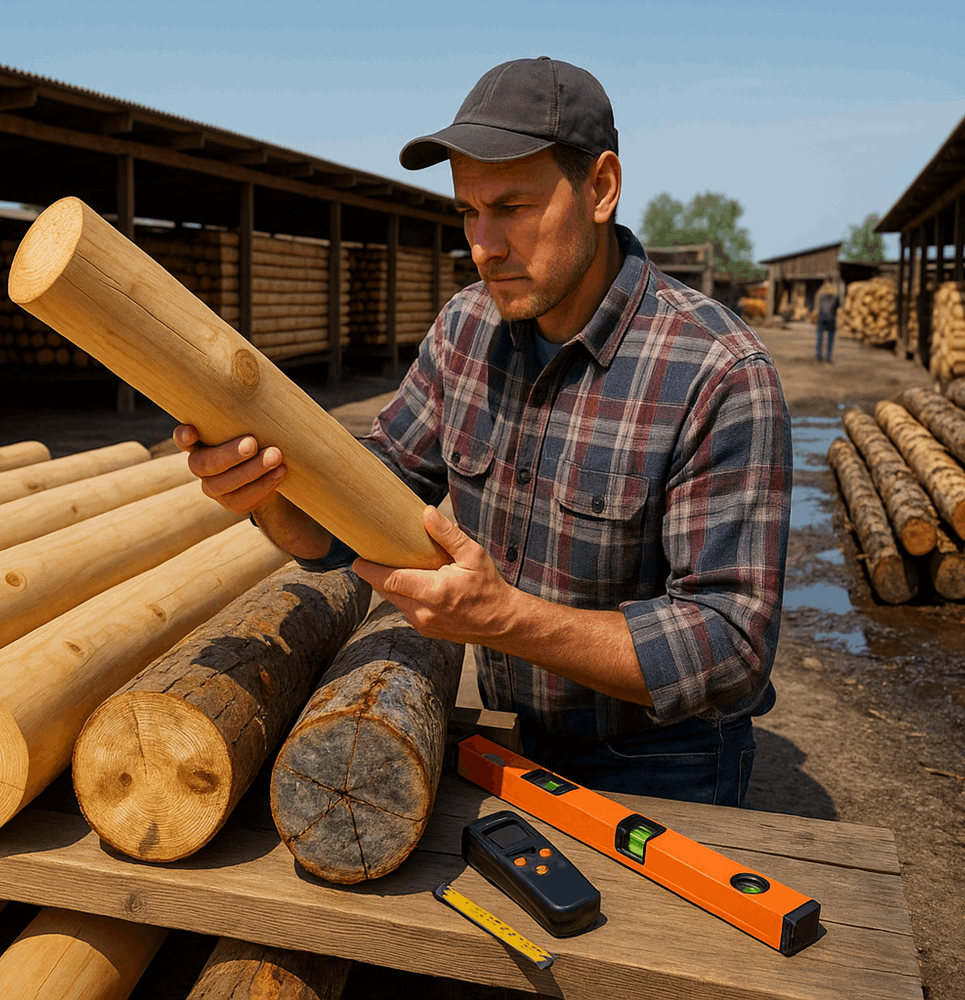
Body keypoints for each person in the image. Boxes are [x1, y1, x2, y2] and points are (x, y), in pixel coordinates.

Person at [176, 56, 791, 808]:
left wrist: (507, 620)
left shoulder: (718, 372)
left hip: (661, 766)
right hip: (505, 737)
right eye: (469, 211)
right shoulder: (467, 327)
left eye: (513, 207)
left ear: (601, 189)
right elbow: (366, 506)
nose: (483, 245)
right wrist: (269, 494)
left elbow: (731, 645)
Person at [814, 283, 840, 362]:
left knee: (820, 339)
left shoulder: (821, 297)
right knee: (829, 340)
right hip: (830, 319)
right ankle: (827, 357)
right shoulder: (835, 297)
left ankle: (819, 355)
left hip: (822, 319)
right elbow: (838, 308)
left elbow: (819, 307)